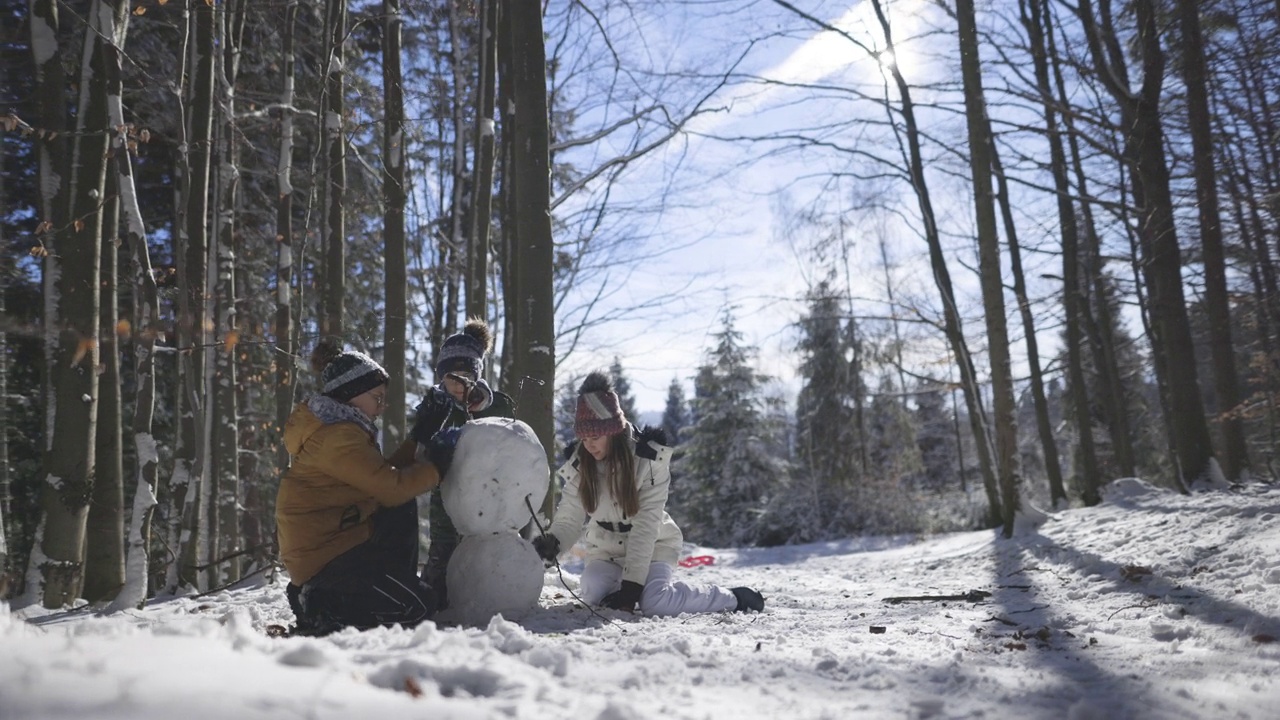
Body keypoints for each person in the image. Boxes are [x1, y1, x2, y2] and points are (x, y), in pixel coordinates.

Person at [532, 371, 765, 616]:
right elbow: (570, 518)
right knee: (592, 591)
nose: (589, 445)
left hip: (653, 544)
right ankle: (625, 588)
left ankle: (731, 597)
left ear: (613, 430)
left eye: (596, 437)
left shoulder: (649, 460)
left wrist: (632, 586)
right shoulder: (580, 465)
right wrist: (553, 544)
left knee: (655, 603)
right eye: (584, 438)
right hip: (606, 549)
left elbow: (646, 526)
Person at [276, 339, 457, 635]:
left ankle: (338, 595)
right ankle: (323, 604)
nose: (382, 407)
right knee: (416, 608)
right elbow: (391, 487)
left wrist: (419, 436)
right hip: (326, 557)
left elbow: (381, 478)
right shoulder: (337, 436)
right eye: (377, 397)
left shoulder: (339, 428)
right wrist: (436, 468)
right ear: (352, 394)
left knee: (400, 508)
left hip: (337, 544)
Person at [387, 318, 515, 609]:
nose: (458, 386)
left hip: (488, 506)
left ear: (477, 376)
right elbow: (415, 453)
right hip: (444, 506)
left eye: (465, 377)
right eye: (451, 378)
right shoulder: (433, 407)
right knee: (438, 575)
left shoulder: (498, 406)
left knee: (485, 574)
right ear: (441, 377)